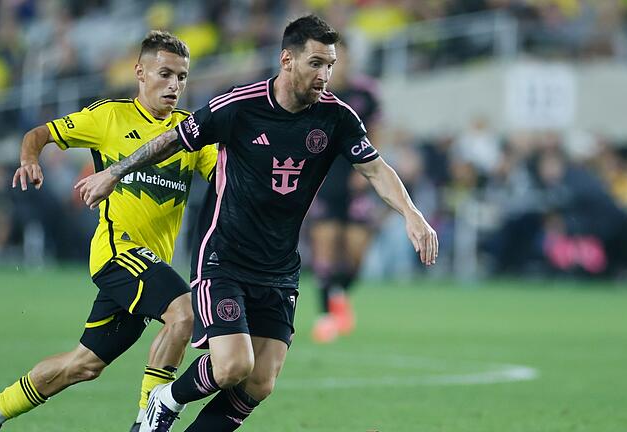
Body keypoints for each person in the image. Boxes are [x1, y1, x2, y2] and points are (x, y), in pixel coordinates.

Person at [75, 15, 438, 432]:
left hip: (280, 268)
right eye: (316, 63)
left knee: (260, 382)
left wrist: (413, 214)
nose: (325, 75)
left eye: (331, 65)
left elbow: (376, 169)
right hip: (224, 259)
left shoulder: (336, 117)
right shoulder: (238, 105)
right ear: (287, 59)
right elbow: (171, 140)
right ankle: (166, 398)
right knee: (232, 365)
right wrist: (115, 171)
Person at [0, 31, 218, 432]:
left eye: (182, 77)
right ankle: (148, 423)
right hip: (117, 252)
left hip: (150, 264)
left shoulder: (189, 132)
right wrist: (30, 159)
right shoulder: (109, 116)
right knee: (183, 312)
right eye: (165, 74)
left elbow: (226, 179)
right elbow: (39, 135)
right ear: (139, 72)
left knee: (84, 365)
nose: (174, 85)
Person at [307, 41, 383, 343]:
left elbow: (377, 131)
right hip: (324, 180)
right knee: (325, 248)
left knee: (356, 255)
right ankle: (326, 316)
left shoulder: (366, 93)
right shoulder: (314, 92)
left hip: (356, 180)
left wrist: (368, 167)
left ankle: (338, 292)